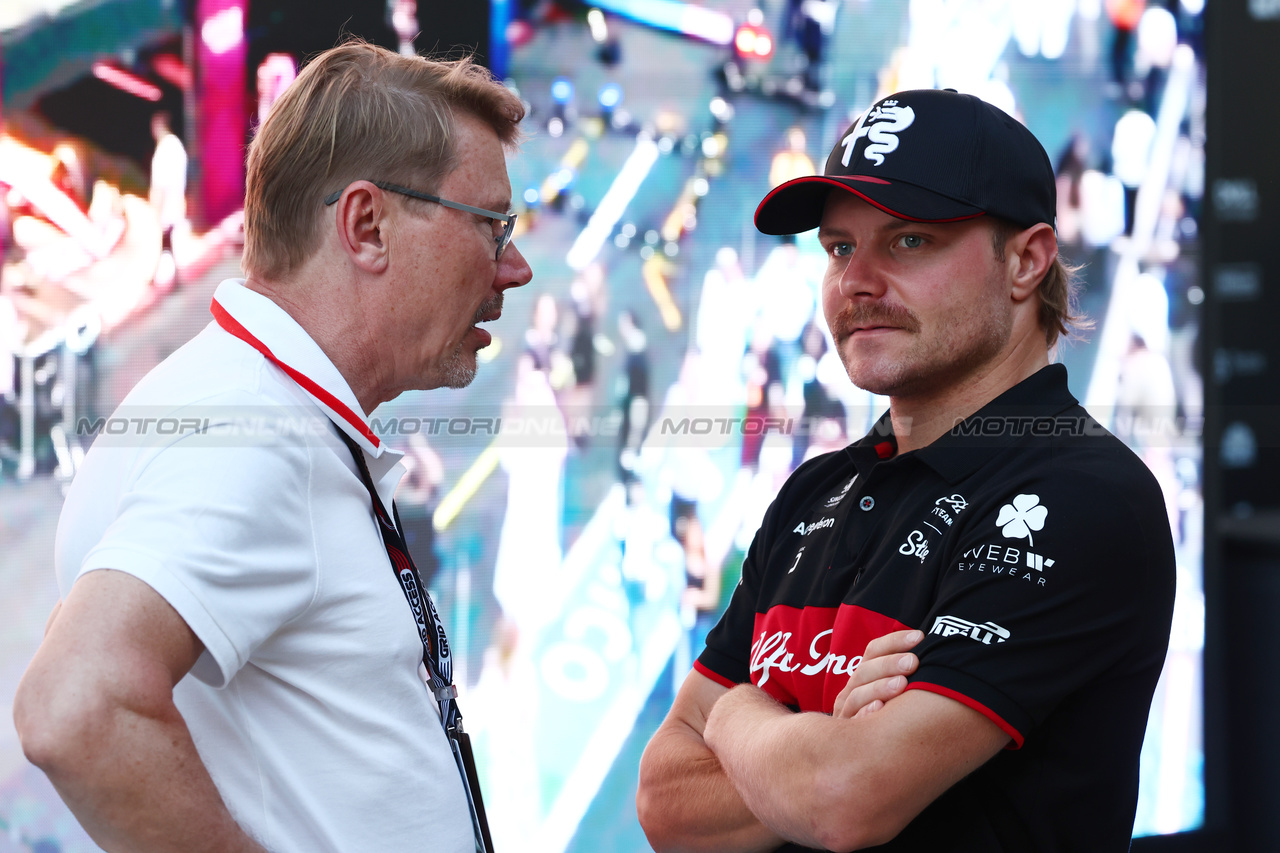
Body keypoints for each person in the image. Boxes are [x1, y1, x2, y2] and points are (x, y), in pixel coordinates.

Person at [14, 40, 531, 853]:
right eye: (493, 228)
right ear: (367, 226)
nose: (517, 268)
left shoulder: (237, 395)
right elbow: (76, 707)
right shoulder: (255, 429)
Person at [637, 87, 1175, 852]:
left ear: (1026, 261)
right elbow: (664, 801)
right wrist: (823, 738)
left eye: (910, 241)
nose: (856, 280)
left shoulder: (1086, 496)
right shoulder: (812, 494)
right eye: (838, 247)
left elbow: (842, 799)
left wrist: (735, 717)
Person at [148, 110, 188, 290]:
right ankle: (167, 277)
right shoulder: (175, 145)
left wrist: (157, 206)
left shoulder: (166, 148)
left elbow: (162, 183)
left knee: (163, 240)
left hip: (167, 205)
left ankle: (164, 277)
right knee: (167, 242)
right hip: (175, 202)